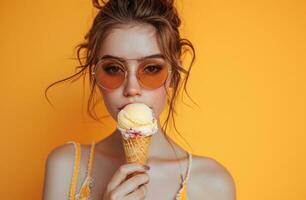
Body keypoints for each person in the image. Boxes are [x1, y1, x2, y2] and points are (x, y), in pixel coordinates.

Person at [42, 0, 236, 199]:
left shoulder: (212, 184)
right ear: (95, 73)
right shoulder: (66, 167)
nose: (132, 89)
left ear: (174, 73)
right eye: (113, 69)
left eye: (151, 68)